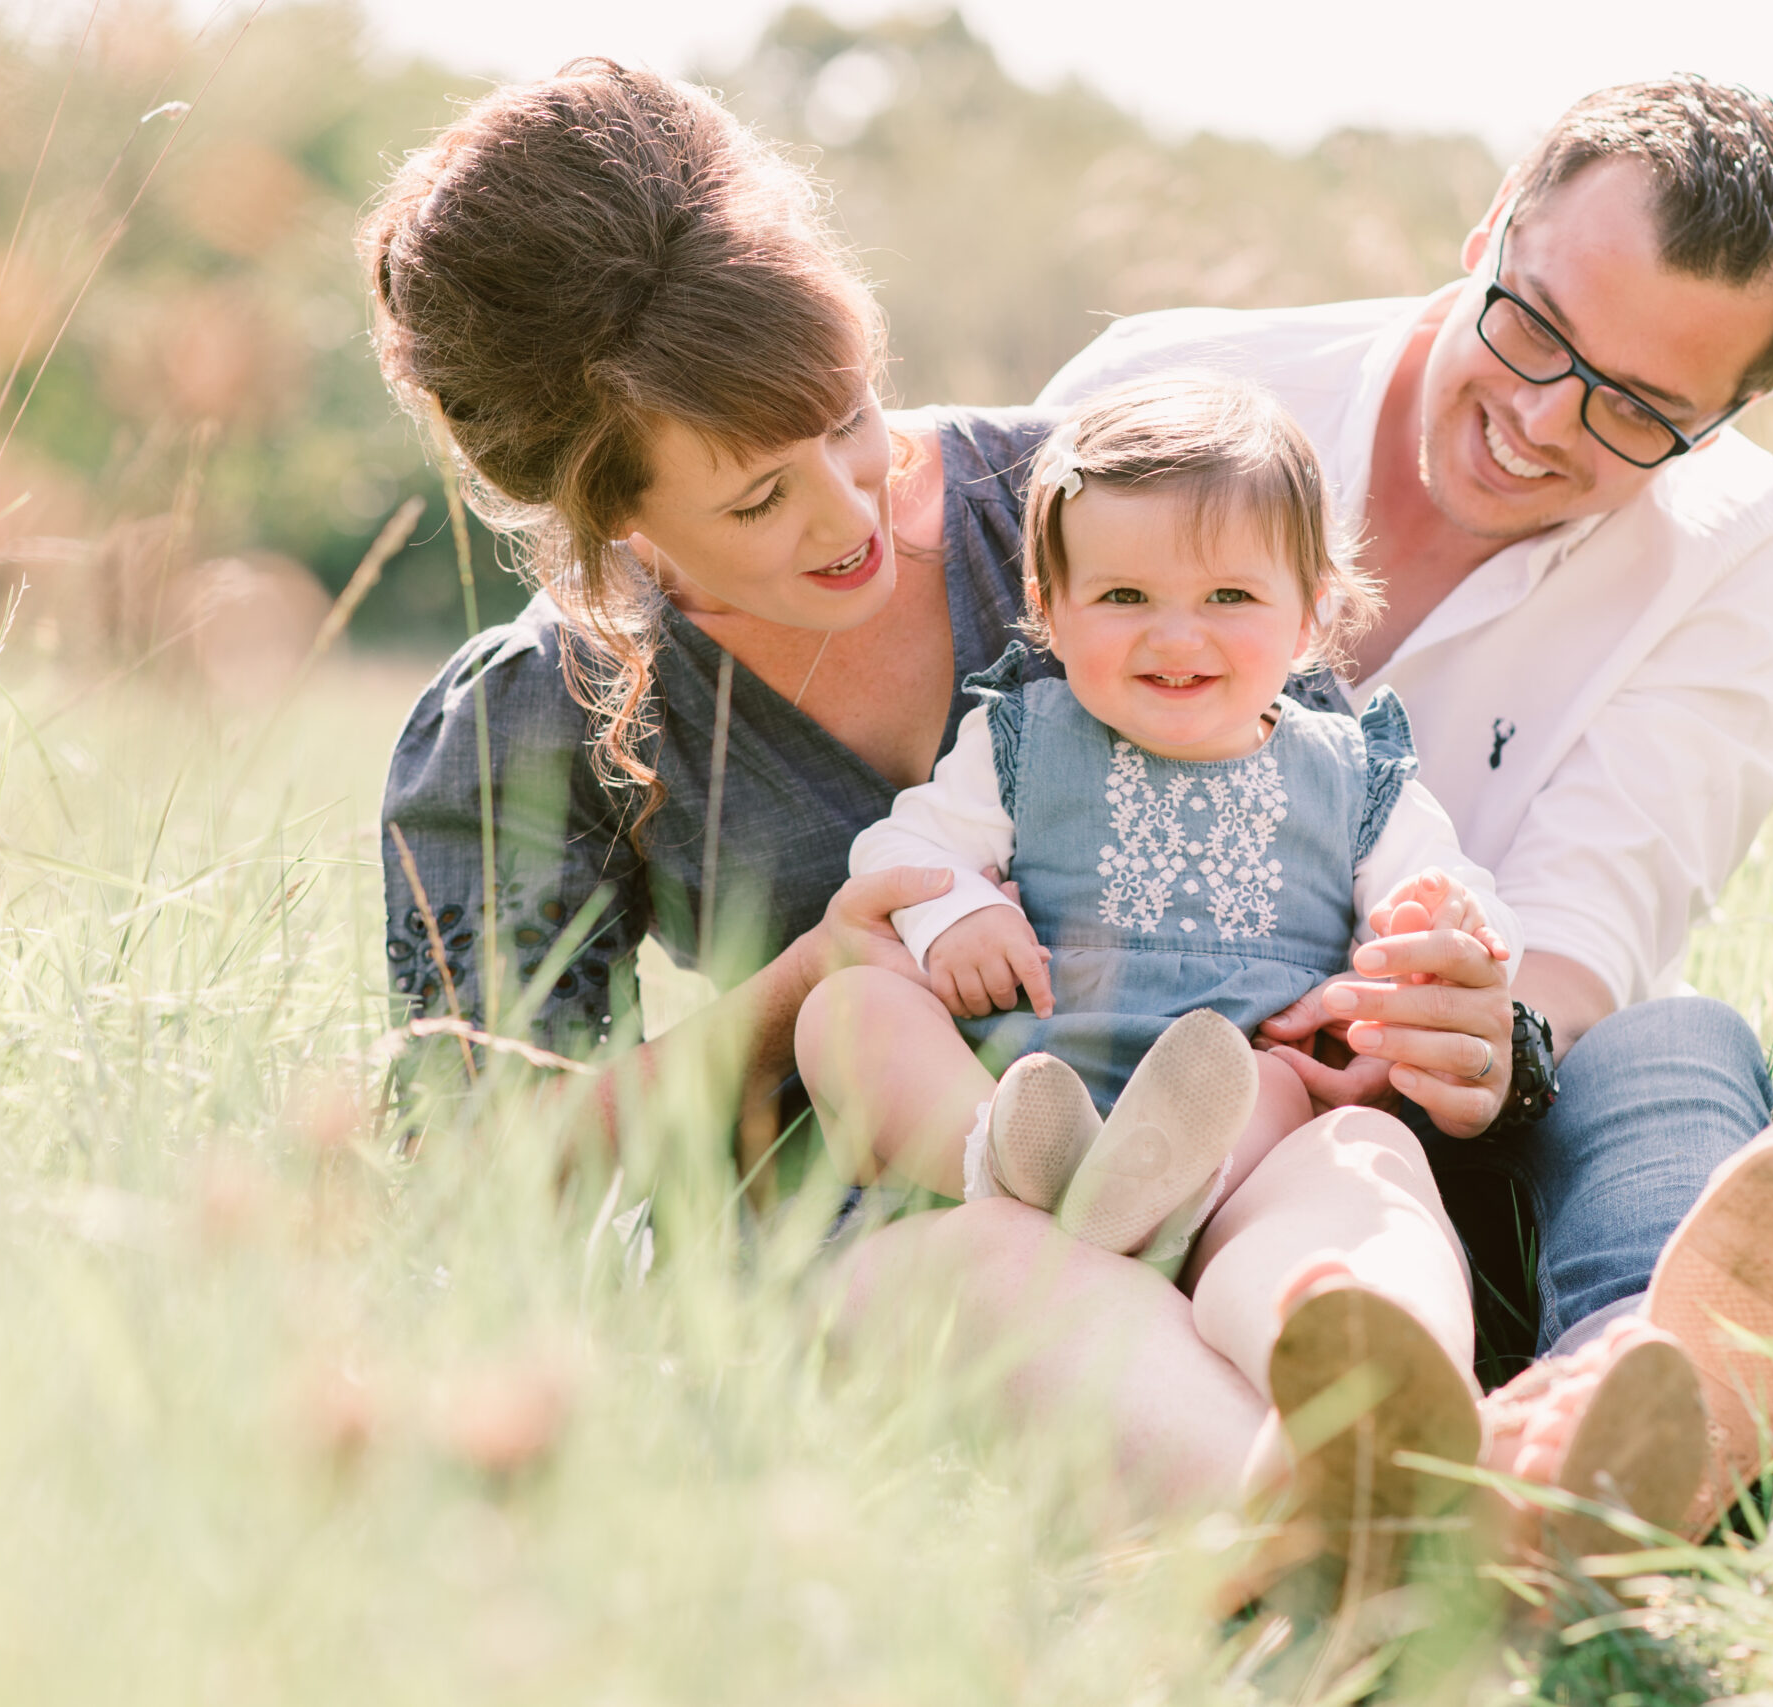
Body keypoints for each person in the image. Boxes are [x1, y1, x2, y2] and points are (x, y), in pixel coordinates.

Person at [366, 61, 1705, 1565]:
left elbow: (1337, 807)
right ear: (608, 516)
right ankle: (1458, 1540)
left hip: (1248, 1145)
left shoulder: (1095, 505)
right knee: (1010, 1268)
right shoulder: (527, 721)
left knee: (1383, 1174)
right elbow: (472, 1180)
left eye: (852, 414)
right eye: (756, 500)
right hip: (911, 1239)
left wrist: (1451, 1008)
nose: (850, 508)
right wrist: (806, 983)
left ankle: (1430, 1506)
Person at [1038, 74, 1773, 1537]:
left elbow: (1588, 930)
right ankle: (1525, 1480)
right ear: (1492, 224)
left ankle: (1634, 1401)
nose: (1544, 419)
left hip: (1441, 1109)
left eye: (1637, 411)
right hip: (1110, 1065)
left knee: (1679, 1037)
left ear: (1728, 419)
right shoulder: (1164, 391)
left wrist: (1474, 1026)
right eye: (1534, 325)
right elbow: (990, 734)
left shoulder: (1744, 554)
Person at [798, 374, 1570, 1552]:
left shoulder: (1353, 776)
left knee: (1349, 1145)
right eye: (1121, 595)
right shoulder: (1016, 741)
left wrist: (1436, 930)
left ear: (1310, 617)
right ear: (1049, 610)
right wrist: (953, 913)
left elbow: (1465, 910)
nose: (1175, 634)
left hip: (1238, 1146)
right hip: (1031, 1098)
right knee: (848, 1008)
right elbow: (900, 853)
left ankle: (1383, 1368)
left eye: (1227, 595)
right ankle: (1015, 1171)